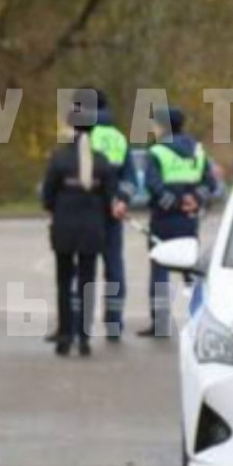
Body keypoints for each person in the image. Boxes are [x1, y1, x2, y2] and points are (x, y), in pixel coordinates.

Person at [41, 92, 117, 357]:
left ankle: (64, 336)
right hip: (92, 229)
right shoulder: (102, 161)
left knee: (63, 282)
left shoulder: (58, 158)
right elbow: (110, 200)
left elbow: (47, 197)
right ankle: (84, 337)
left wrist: (58, 209)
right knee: (87, 282)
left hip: (64, 227)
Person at [140, 106, 215, 338]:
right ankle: (201, 319)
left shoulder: (157, 152)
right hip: (189, 220)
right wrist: (195, 201)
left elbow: (153, 185)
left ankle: (160, 324)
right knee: (191, 271)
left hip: (164, 219)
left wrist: (174, 203)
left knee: (160, 270)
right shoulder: (198, 150)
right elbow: (210, 183)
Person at [88, 97, 135, 340]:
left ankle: (82, 323)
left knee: (84, 269)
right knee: (114, 268)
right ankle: (114, 324)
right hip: (113, 214)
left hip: (87, 213)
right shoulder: (119, 138)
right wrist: (122, 200)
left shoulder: (83, 137)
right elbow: (130, 178)